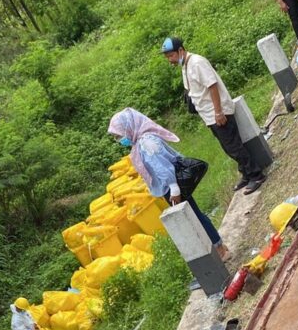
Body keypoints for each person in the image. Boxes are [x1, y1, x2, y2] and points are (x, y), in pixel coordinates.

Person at [108, 107, 230, 261]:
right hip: (170, 187)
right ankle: (218, 248)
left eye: (119, 135)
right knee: (193, 215)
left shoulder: (147, 143)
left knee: (194, 217)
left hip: (172, 188)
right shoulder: (141, 142)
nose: (119, 140)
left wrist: (174, 189)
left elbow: (163, 168)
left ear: (129, 127)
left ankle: (220, 250)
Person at [161, 37, 266, 195]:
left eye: (171, 56)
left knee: (234, 147)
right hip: (208, 115)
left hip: (217, 112)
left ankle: (256, 175)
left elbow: (212, 86)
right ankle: (245, 174)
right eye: (168, 57)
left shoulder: (196, 63)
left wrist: (218, 112)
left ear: (181, 51)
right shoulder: (186, 65)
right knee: (228, 147)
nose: (170, 60)